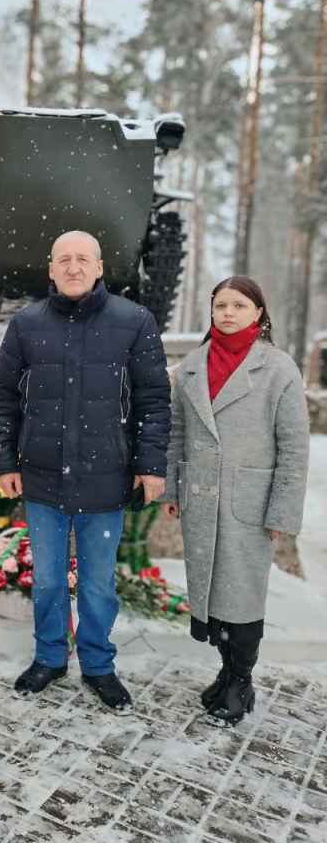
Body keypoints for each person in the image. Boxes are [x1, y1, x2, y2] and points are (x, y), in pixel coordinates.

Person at [0, 230, 171, 709]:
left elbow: (154, 400)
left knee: (96, 584)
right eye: (64, 260)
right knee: (47, 580)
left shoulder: (134, 321)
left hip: (106, 476)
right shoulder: (27, 324)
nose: (73, 267)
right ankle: (49, 657)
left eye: (82, 259)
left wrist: (150, 466)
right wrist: (4, 461)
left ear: (100, 267)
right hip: (43, 478)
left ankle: (98, 665)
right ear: (50, 269)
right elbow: (4, 398)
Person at [162, 276, 309, 725]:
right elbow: (177, 435)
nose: (228, 313)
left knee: (242, 596)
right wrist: (172, 488)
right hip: (202, 499)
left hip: (250, 501)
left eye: (239, 305)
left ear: (259, 313)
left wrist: (283, 511)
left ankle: (241, 682)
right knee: (210, 593)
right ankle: (226, 673)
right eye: (220, 305)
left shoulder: (278, 368)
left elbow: (294, 445)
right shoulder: (191, 366)